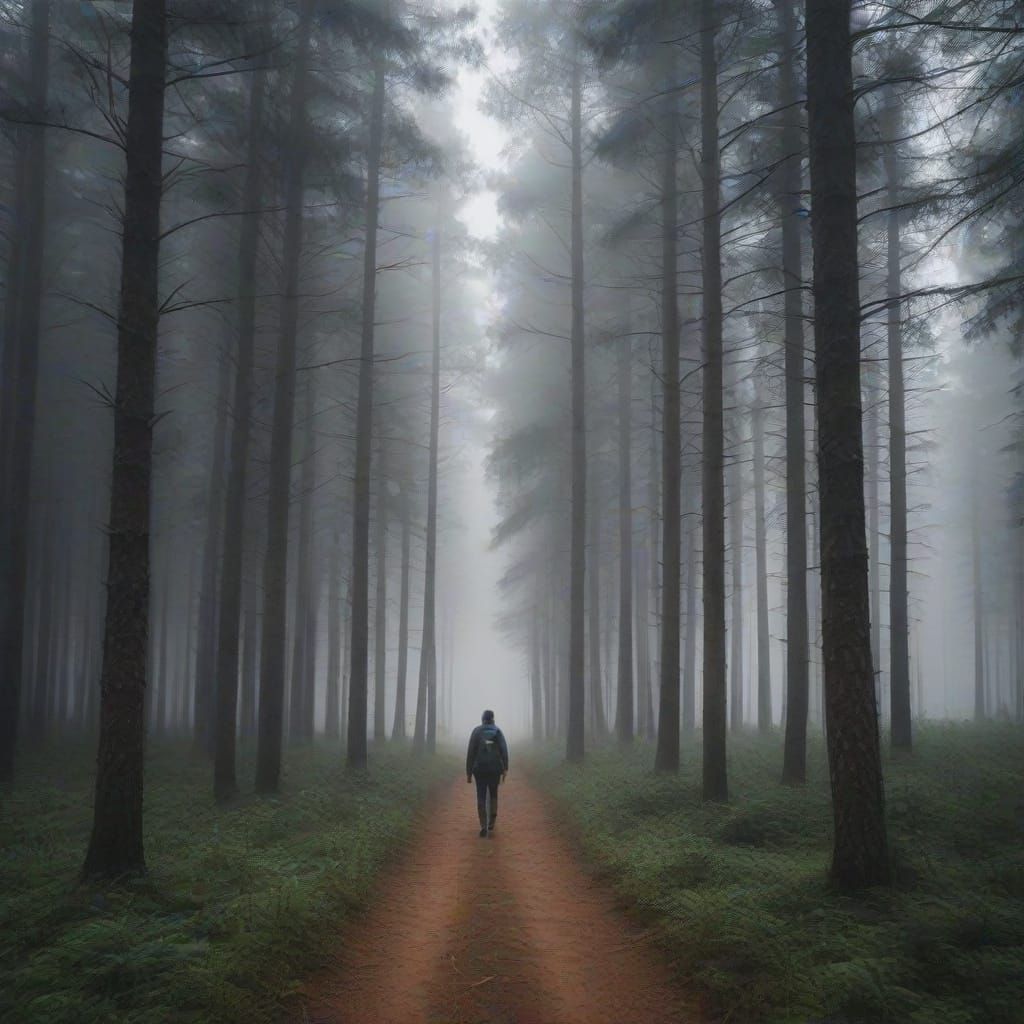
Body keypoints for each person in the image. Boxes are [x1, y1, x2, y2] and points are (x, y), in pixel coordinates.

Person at [465, 709, 509, 837]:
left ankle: (483, 825)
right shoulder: (498, 731)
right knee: (493, 793)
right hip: (495, 769)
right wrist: (505, 768)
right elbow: (504, 750)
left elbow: (471, 752)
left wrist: (468, 772)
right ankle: (492, 822)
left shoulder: (476, 731)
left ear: (482, 719)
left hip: (479, 769)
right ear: (493, 718)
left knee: (481, 795)